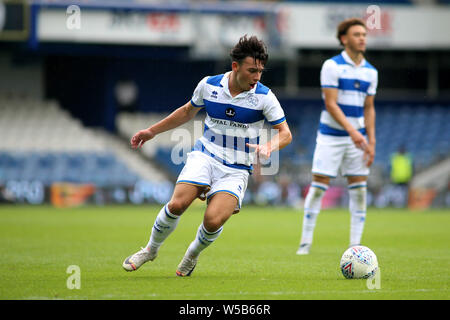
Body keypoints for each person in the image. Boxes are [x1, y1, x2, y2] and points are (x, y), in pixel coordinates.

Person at [122, 35, 292, 276]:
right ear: (235, 66)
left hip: (236, 168)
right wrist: (151, 132)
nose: (256, 77)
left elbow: (285, 133)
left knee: (213, 220)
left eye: (260, 72)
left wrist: (269, 147)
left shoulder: (265, 97)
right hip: (206, 155)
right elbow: (186, 112)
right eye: (252, 70)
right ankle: (150, 249)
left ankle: (192, 254)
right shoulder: (209, 85)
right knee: (177, 204)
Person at [296, 18, 378, 255]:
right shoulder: (331, 66)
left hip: (359, 139)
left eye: (364, 34)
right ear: (344, 39)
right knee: (319, 186)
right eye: (356, 34)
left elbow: (369, 108)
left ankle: (355, 246)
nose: (362, 38)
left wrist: (371, 141)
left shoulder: (371, 72)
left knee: (360, 190)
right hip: (331, 136)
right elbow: (331, 104)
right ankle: (305, 242)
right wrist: (353, 131)